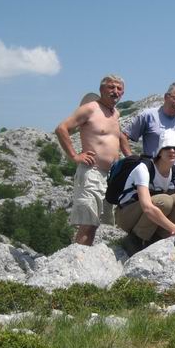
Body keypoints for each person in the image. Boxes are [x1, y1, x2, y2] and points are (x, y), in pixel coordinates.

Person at [55, 75, 128, 246]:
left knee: (97, 224)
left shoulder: (115, 113)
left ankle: (85, 256)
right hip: (92, 172)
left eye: (119, 88)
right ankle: (77, 258)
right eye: (111, 87)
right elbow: (61, 128)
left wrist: (130, 157)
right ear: (102, 89)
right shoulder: (90, 108)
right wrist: (74, 156)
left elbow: (118, 137)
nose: (115, 91)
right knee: (87, 224)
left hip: (110, 176)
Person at [115, 129, 175, 255]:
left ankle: (157, 238)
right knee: (164, 201)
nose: (172, 151)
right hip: (126, 215)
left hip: (147, 215)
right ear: (160, 151)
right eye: (167, 147)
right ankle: (136, 239)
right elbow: (147, 207)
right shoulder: (144, 169)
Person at [121, 82, 175, 171]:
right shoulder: (148, 115)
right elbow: (123, 136)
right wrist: (132, 161)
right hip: (151, 175)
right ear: (166, 97)